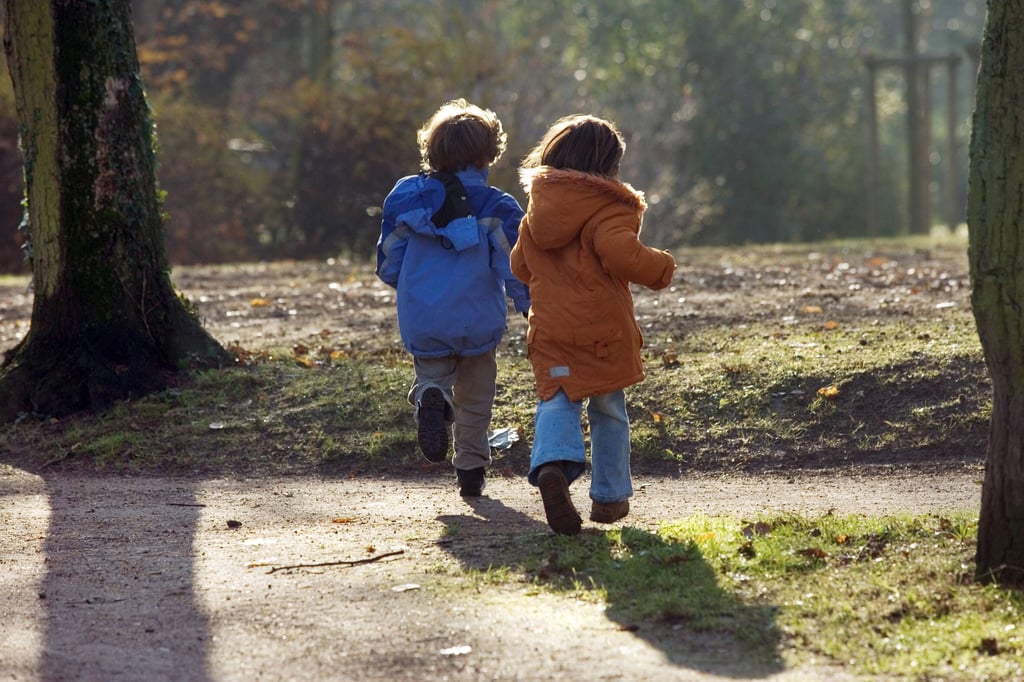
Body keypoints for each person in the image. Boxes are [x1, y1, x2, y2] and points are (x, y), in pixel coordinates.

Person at [510, 114, 676, 534]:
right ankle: (608, 496)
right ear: (606, 167)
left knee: (556, 398)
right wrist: (660, 267)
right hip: (601, 331)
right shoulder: (609, 207)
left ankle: (552, 466)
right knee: (607, 408)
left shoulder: (537, 211)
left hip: (550, 329)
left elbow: (518, 265)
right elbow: (620, 254)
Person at [377, 99, 530, 497]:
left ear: (432, 149)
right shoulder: (498, 207)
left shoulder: (406, 199)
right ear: (489, 153)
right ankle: (471, 470)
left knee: (433, 373)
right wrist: (532, 308)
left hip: (424, 315)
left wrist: (406, 286)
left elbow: (388, 259)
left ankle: (432, 394)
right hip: (477, 318)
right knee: (476, 398)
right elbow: (515, 268)